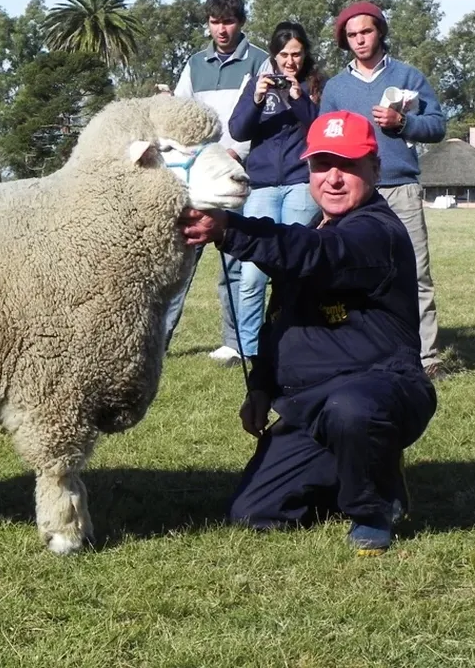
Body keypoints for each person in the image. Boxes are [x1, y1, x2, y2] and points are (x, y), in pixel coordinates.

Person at [181, 111, 436, 553]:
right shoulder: (317, 229)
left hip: (381, 389)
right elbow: (280, 321)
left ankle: (373, 508)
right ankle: (359, 467)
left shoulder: (377, 233)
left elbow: (315, 255)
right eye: (322, 166)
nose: (333, 178)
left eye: (348, 165)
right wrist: (260, 388)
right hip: (311, 406)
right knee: (253, 513)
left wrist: (228, 229)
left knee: (351, 409)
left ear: (375, 169)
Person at [320, 1, 447, 379]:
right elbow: (324, 142)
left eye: (366, 32)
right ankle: (356, 348)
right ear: (345, 40)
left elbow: (437, 126)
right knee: (349, 273)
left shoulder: (408, 76)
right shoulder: (336, 88)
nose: (360, 40)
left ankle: (426, 358)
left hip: (401, 187)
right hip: (351, 194)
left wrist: (403, 121)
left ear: (380, 32)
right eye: (352, 35)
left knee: (416, 274)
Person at [166, 0, 269, 365]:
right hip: (198, 181)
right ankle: (158, 341)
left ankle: (235, 342)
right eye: (214, 22)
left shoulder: (261, 61)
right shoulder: (194, 64)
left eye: (228, 21)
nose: (221, 29)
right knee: (181, 263)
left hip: (241, 177)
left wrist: (235, 153)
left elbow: (263, 118)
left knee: (237, 266)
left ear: (240, 22)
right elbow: (180, 116)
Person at [228, 22, 322, 360]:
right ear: (273, 55)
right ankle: (249, 349)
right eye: (283, 55)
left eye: (296, 54)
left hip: (300, 183)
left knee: (291, 268)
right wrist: (256, 97)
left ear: (305, 54)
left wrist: (298, 99)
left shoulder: (314, 85)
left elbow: (321, 129)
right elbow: (238, 130)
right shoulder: (257, 83)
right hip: (263, 186)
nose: (290, 62)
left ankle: (292, 341)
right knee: (253, 272)